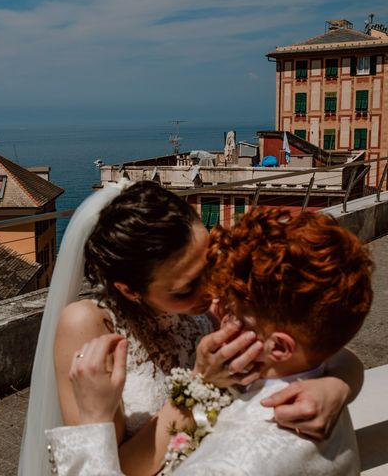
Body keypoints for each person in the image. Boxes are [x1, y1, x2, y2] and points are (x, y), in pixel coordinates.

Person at [19, 181, 362, 476]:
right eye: (185, 289)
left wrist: (336, 386)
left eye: (211, 264)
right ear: (129, 290)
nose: (213, 290)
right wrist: (199, 386)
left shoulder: (216, 305)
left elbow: (316, 346)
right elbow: (113, 463)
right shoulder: (89, 325)